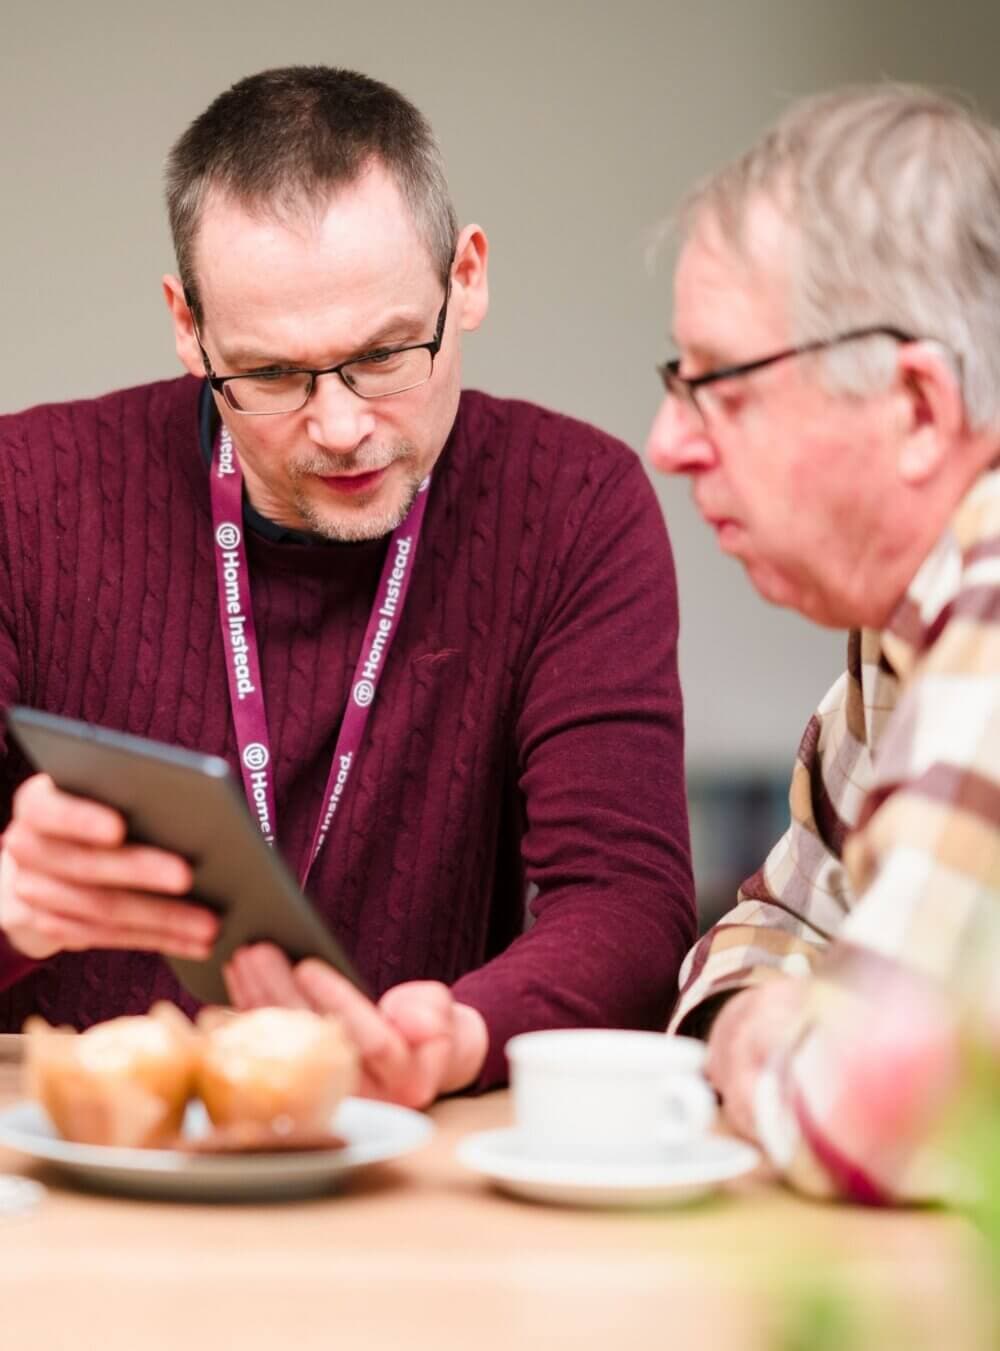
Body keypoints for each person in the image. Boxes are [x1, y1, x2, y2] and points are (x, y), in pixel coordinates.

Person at [0, 66, 695, 1108]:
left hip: (408, 1153)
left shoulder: (573, 504)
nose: (338, 426)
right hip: (86, 1155)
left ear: (467, 277)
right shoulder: (23, 490)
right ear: (186, 326)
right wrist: (14, 910)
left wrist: (462, 1031)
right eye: (273, 375)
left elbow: (628, 904)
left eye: (383, 356)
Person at [648, 84, 1000, 1202]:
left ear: (914, 409)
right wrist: (773, 1013)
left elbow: (852, 1114)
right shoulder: (898, 626)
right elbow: (763, 926)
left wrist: (768, 1042)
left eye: (720, 386)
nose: (666, 442)